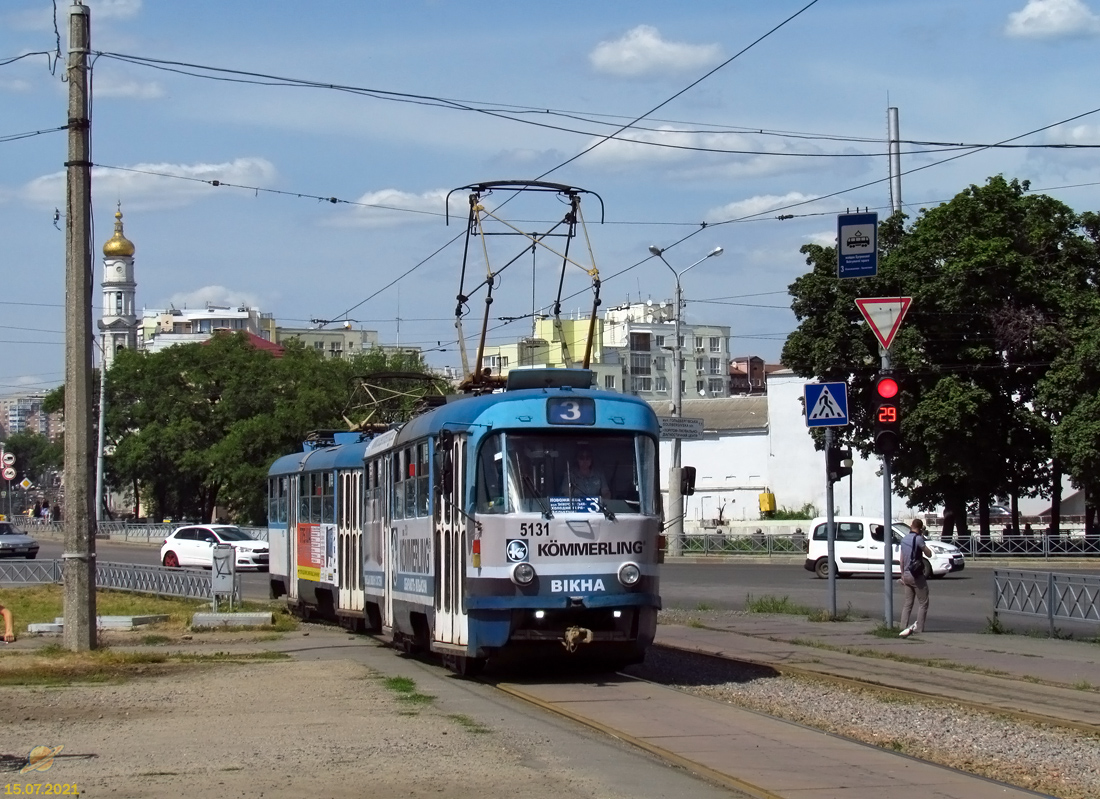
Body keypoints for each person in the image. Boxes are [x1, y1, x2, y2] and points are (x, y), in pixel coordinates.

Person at [899, 518, 932, 637]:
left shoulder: (904, 539)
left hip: (906, 575)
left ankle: (902, 626)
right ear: (920, 528)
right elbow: (929, 553)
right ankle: (919, 629)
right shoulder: (918, 539)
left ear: (911, 526)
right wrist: (923, 540)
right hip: (916, 575)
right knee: (923, 602)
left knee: (908, 602)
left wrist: (902, 575)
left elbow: (902, 560)